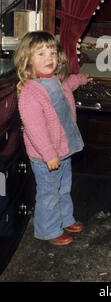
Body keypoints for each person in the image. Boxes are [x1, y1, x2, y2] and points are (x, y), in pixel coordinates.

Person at [14, 31, 91, 246]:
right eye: (41, 54)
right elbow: (34, 129)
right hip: (46, 156)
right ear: (27, 61)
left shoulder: (56, 81)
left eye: (52, 52)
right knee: (49, 193)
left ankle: (65, 219)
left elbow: (70, 83)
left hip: (63, 149)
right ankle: (48, 229)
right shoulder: (31, 92)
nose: (49, 58)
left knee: (64, 188)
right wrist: (49, 155)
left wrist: (83, 78)